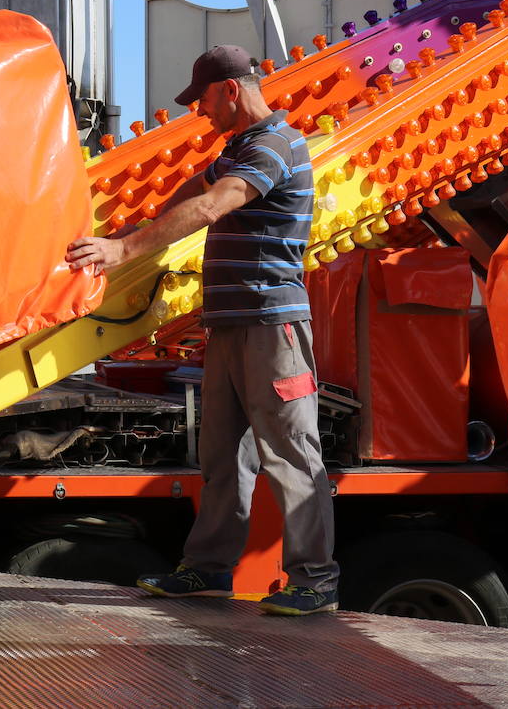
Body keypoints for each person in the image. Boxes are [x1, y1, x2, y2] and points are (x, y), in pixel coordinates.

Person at [65, 44, 339, 616]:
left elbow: (215, 205)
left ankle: (315, 581)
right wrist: (137, 227)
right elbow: (195, 191)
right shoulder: (241, 146)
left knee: (292, 453)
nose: (200, 112)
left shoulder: (273, 146)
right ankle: (210, 568)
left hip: (272, 329)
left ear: (231, 90)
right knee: (222, 458)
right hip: (232, 324)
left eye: (204, 100)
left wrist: (124, 248)